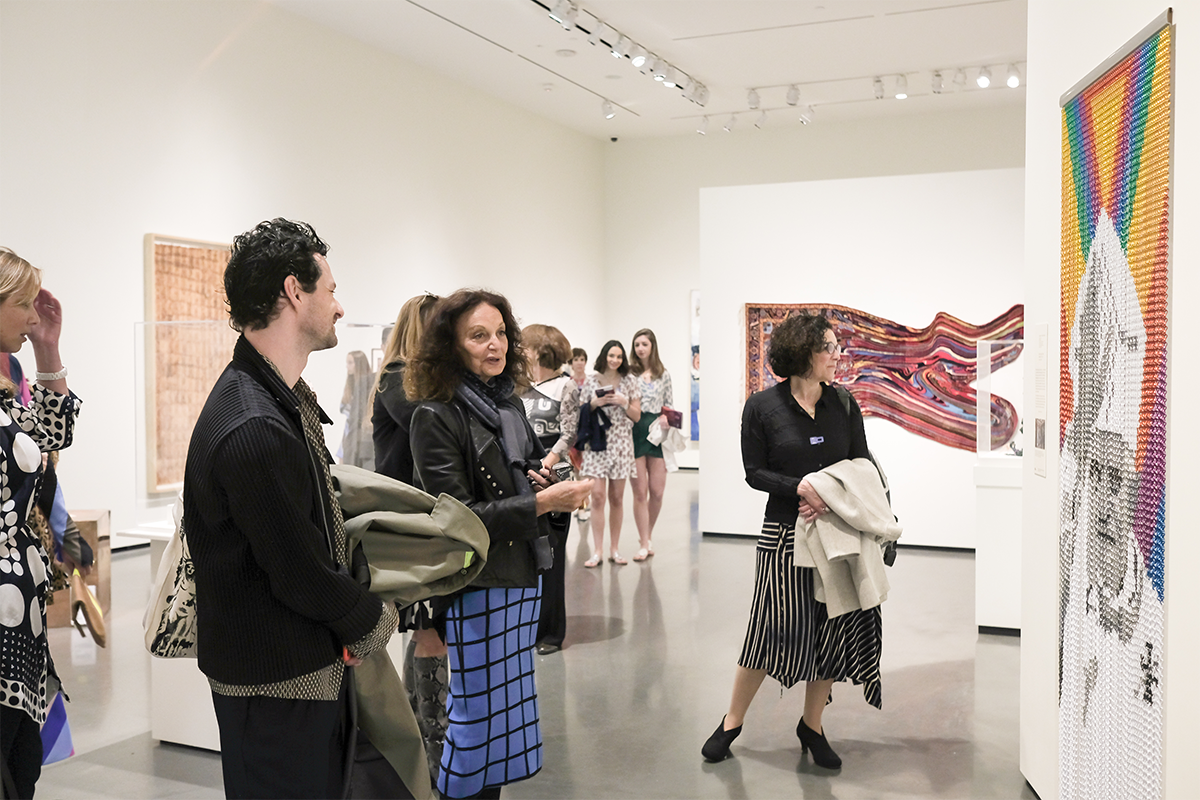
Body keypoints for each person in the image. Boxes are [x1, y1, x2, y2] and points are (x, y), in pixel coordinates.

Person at [183, 219, 399, 800]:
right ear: (294, 291)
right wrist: (369, 619)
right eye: (329, 289)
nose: (337, 305)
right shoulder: (255, 423)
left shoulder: (271, 400)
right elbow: (297, 566)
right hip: (276, 683)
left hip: (290, 672)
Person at [406, 290, 591, 800]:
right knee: (474, 723)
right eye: (478, 335)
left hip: (518, 577)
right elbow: (456, 519)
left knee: (502, 723)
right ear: (452, 345)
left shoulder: (504, 403)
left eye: (501, 333)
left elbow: (520, 471)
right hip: (477, 583)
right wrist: (541, 503)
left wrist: (538, 482)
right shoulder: (436, 414)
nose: (496, 346)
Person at [702, 312, 882, 771]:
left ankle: (812, 725)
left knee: (829, 626)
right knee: (769, 627)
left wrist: (838, 497)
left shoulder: (844, 404)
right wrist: (799, 487)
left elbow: (861, 463)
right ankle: (731, 720)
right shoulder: (763, 407)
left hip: (836, 533)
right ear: (803, 353)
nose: (837, 356)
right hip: (783, 533)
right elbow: (754, 472)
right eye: (828, 348)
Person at [0, 247, 80, 799]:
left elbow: (51, 436)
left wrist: (49, 349)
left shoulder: (9, 384)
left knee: (21, 763)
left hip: (19, 615)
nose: (34, 317)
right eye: (24, 305)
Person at [371, 292, 448, 784]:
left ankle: (412, 742)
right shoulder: (401, 378)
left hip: (416, 523)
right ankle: (430, 748)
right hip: (408, 526)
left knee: (426, 631)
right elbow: (428, 420)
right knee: (429, 632)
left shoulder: (409, 379)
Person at [519, 324, 581, 655]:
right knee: (528, 555)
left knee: (553, 554)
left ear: (540, 349)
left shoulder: (566, 386)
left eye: (525, 346)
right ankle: (527, 626)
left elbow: (569, 432)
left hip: (555, 470)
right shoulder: (520, 386)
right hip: (525, 469)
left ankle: (551, 633)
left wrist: (549, 459)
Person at [578, 340, 640, 567]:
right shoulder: (591, 381)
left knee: (616, 498)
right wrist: (595, 403)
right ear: (604, 356)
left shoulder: (630, 381)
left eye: (619, 357)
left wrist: (623, 402)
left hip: (622, 444)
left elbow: (637, 416)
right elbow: (582, 411)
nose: (615, 360)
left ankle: (614, 549)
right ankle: (597, 550)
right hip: (597, 444)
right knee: (597, 497)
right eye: (611, 355)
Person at [627, 328, 673, 562]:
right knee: (639, 492)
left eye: (644, 344)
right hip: (634, 429)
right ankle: (644, 542)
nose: (640, 348)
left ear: (652, 346)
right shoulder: (629, 374)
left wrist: (667, 417)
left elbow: (670, 405)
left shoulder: (663, 374)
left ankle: (648, 534)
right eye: (637, 345)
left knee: (657, 491)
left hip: (656, 432)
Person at [567, 347, 590, 521]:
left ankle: (584, 505)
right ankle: (579, 503)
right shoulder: (567, 383)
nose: (579, 362)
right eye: (576, 359)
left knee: (585, 470)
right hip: (571, 431)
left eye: (582, 359)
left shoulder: (591, 382)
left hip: (588, 431)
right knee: (575, 469)